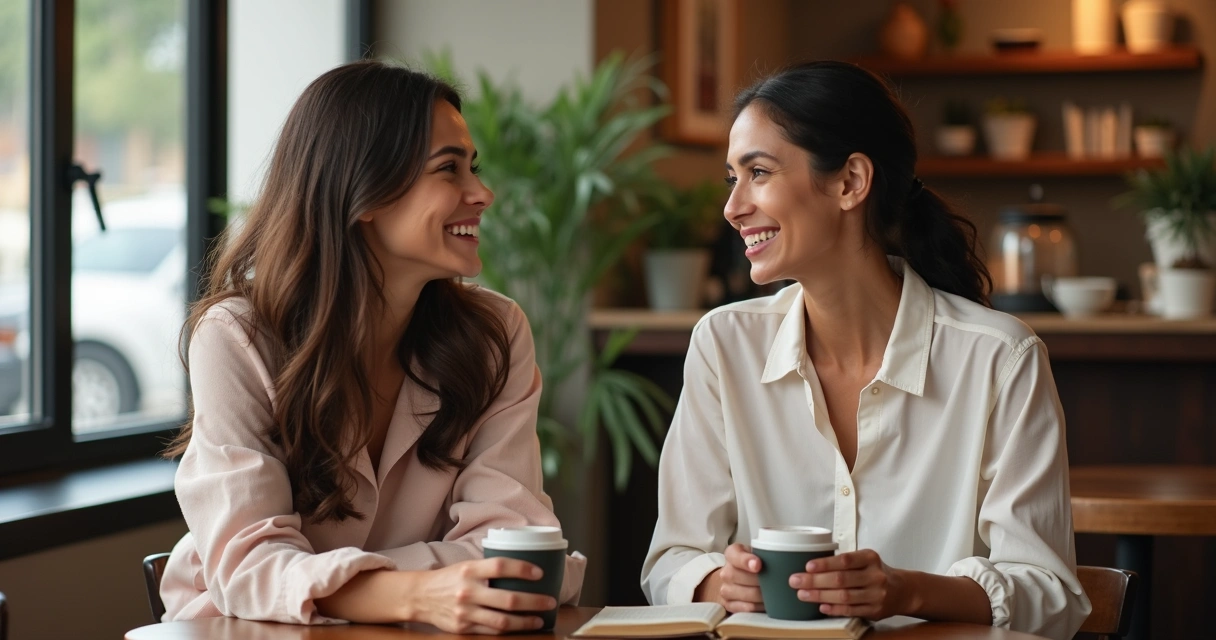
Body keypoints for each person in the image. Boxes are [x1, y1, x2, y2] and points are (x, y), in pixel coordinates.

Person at [640, 61, 1090, 639]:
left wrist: (907, 591)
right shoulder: (724, 345)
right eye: (733, 178)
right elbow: (672, 561)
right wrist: (720, 584)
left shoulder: (1001, 360)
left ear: (851, 181)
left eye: (758, 172)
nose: (733, 207)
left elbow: (1050, 593)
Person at [159, 60, 584, 633]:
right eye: (448, 169)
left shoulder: (495, 334)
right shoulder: (238, 336)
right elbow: (250, 570)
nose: (481, 193)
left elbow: (513, 553)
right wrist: (417, 591)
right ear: (364, 193)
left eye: (472, 168)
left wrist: (336, 582)